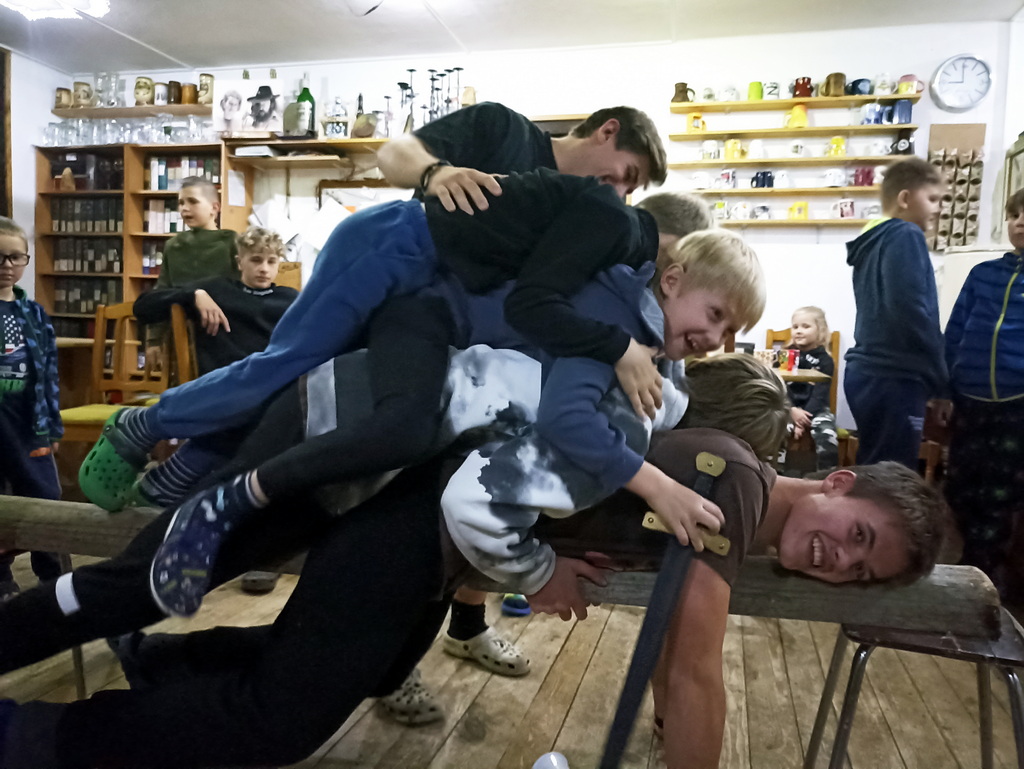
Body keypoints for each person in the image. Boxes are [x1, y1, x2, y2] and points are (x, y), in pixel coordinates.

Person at [0, 356, 948, 769]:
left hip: (431, 535)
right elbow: (696, 665)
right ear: (839, 479)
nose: (838, 558)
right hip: (413, 516)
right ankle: (39, 738)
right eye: (859, 534)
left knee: (359, 670)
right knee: (278, 718)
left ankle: (159, 666)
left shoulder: (732, 484)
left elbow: (670, 644)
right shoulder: (736, 480)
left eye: (858, 573)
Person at [146, 223, 754, 618]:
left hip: (377, 386)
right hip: (374, 381)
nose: (717, 337)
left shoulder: (637, 338)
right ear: (671, 281)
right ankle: (180, 479)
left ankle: (185, 491)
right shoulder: (616, 333)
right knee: (239, 499)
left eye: (731, 332)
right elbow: (568, 419)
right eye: (716, 314)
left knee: (245, 515)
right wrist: (655, 484)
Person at [131, 226, 297, 509]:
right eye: (256, 260)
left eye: (271, 261)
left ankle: (170, 482)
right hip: (223, 386)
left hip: (267, 388)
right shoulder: (217, 290)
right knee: (252, 419)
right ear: (240, 261)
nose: (264, 268)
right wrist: (193, 294)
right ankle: (202, 494)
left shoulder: (289, 299)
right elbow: (143, 307)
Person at [943, 187, 1024, 602]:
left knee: (998, 496)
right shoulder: (983, 273)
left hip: (1015, 406)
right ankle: (965, 566)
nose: (1020, 221)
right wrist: (944, 389)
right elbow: (955, 330)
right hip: (969, 399)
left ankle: (982, 578)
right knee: (959, 487)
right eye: (1014, 214)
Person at [844, 156, 947, 468]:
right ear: (905, 199)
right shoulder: (906, 234)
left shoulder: (873, 240)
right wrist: (941, 378)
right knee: (894, 474)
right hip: (895, 375)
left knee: (874, 467)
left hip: (867, 373)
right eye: (932, 199)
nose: (938, 209)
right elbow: (911, 311)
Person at [0, 217, 63, 600]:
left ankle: (54, 580)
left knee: (44, 497)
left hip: (29, 423)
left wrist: (52, 425)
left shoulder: (35, 314)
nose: (7, 265)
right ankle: (2, 579)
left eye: (15, 257)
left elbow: (49, 371)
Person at [143, 175, 238, 366]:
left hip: (226, 333)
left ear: (214, 208)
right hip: (182, 336)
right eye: (181, 203)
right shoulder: (174, 245)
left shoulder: (232, 242)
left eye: (193, 202)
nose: (184, 208)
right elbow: (162, 292)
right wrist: (153, 340)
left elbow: (242, 291)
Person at [785, 305, 838, 471]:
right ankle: (771, 475)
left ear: (820, 331)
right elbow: (779, 387)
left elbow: (819, 395)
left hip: (817, 410)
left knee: (828, 438)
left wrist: (802, 420)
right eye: (795, 327)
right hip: (788, 408)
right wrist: (791, 410)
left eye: (805, 326)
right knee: (767, 430)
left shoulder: (825, 361)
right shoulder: (785, 356)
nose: (798, 331)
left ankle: (826, 475)